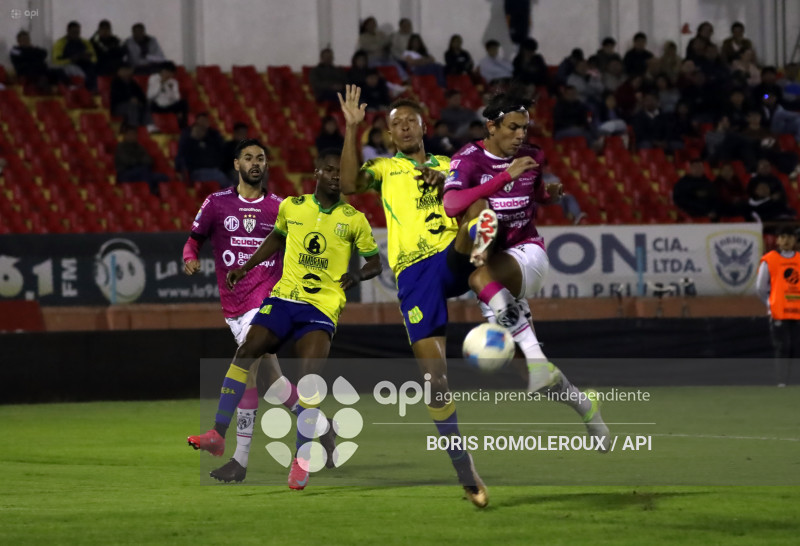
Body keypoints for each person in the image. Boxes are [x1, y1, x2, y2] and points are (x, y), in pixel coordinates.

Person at [190, 148, 382, 490]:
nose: (337, 176)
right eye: (330, 170)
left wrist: (357, 276)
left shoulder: (354, 218)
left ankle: (301, 460)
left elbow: (374, 262)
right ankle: (218, 433)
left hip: (322, 307)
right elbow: (276, 237)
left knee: (306, 382)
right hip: (283, 299)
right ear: (317, 173)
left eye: (342, 172)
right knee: (247, 351)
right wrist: (245, 268)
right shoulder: (292, 207)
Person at [339, 85, 489, 508]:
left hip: (449, 255)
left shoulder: (449, 163)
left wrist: (450, 181)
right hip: (414, 276)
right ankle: (466, 470)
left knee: (477, 206)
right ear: (389, 135)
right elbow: (349, 182)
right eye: (395, 124)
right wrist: (352, 129)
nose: (403, 127)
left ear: (425, 126)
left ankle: (486, 277)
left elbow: (479, 192)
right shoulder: (385, 169)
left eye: (410, 120)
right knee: (435, 382)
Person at [441, 91, 609, 450]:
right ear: (491, 125)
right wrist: (503, 178)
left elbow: (531, 193)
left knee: (476, 275)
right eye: (513, 127)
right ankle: (586, 408)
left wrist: (547, 195)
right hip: (495, 271)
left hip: (526, 253)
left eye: (525, 128)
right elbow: (452, 203)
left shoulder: (532, 155)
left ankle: (536, 358)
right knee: (534, 377)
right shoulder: (468, 160)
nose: (521, 135)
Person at [183, 138, 298, 482]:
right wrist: (190, 258)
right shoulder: (216, 203)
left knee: (244, 365)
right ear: (236, 164)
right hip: (233, 306)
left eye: (260, 158)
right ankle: (322, 426)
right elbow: (193, 240)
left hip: (266, 301)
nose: (255, 163)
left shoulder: (280, 207)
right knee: (273, 384)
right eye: (248, 158)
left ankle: (226, 445)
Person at [756, 225, 800, 386]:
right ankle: (782, 381)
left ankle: (795, 379)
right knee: (783, 346)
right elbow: (760, 287)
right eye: (782, 237)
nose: (786, 240)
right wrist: (770, 303)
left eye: (789, 236)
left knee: (796, 346)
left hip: (798, 312)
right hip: (779, 312)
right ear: (777, 240)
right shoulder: (770, 259)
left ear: (795, 240)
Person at [175, 112, 229, 186]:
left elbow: (221, 151)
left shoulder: (213, 135)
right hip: (196, 170)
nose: (203, 124)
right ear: (196, 122)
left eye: (205, 121)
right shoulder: (188, 137)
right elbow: (181, 154)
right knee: (220, 177)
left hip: (214, 168)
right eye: (201, 121)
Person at [114, 124, 168, 194]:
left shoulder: (139, 147)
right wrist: (140, 161)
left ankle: (160, 196)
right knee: (144, 171)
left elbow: (149, 160)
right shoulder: (120, 147)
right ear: (125, 135)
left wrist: (137, 161)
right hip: (125, 174)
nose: (132, 136)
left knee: (163, 177)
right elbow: (127, 162)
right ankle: (149, 193)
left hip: (141, 173)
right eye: (130, 134)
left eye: (134, 134)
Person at [52, 21, 97, 91]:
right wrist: (71, 59)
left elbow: (94, 58)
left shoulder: (85, 42)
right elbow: (56, 61)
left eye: (78, 32)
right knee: (75, 70)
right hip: (68, 65)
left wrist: (88, 58)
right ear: (68, 31)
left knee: (94, 68)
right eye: (73, 32)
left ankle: (92, 91)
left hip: (85, 65)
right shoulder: (60, 43)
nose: (76, 34)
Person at [110, 64, 154, 129]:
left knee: (146, 105)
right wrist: (129, 99)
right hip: (118, 107)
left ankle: (148, 127)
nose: (126, 72)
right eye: (123, 70)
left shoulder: (133, 82)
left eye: (127, 70)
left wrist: (139, 101)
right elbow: (116, 97)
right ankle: (133, 127)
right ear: (118, 72)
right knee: (132, 107)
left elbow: (141, 95)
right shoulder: (115, 83)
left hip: (135, 104)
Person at [147, 61, 188, 128]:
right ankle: (151, 128)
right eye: (168, 72)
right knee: (148, 104)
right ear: (163, 71)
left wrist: (170, 90)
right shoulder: (153, 78)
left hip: (169, 105)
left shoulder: (173, 82)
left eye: (172, 73)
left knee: (183, 103)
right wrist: (161, 84)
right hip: (157, 105)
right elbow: (150, 96)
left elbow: (177, 98)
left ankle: (183, 127)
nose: (170, 75)